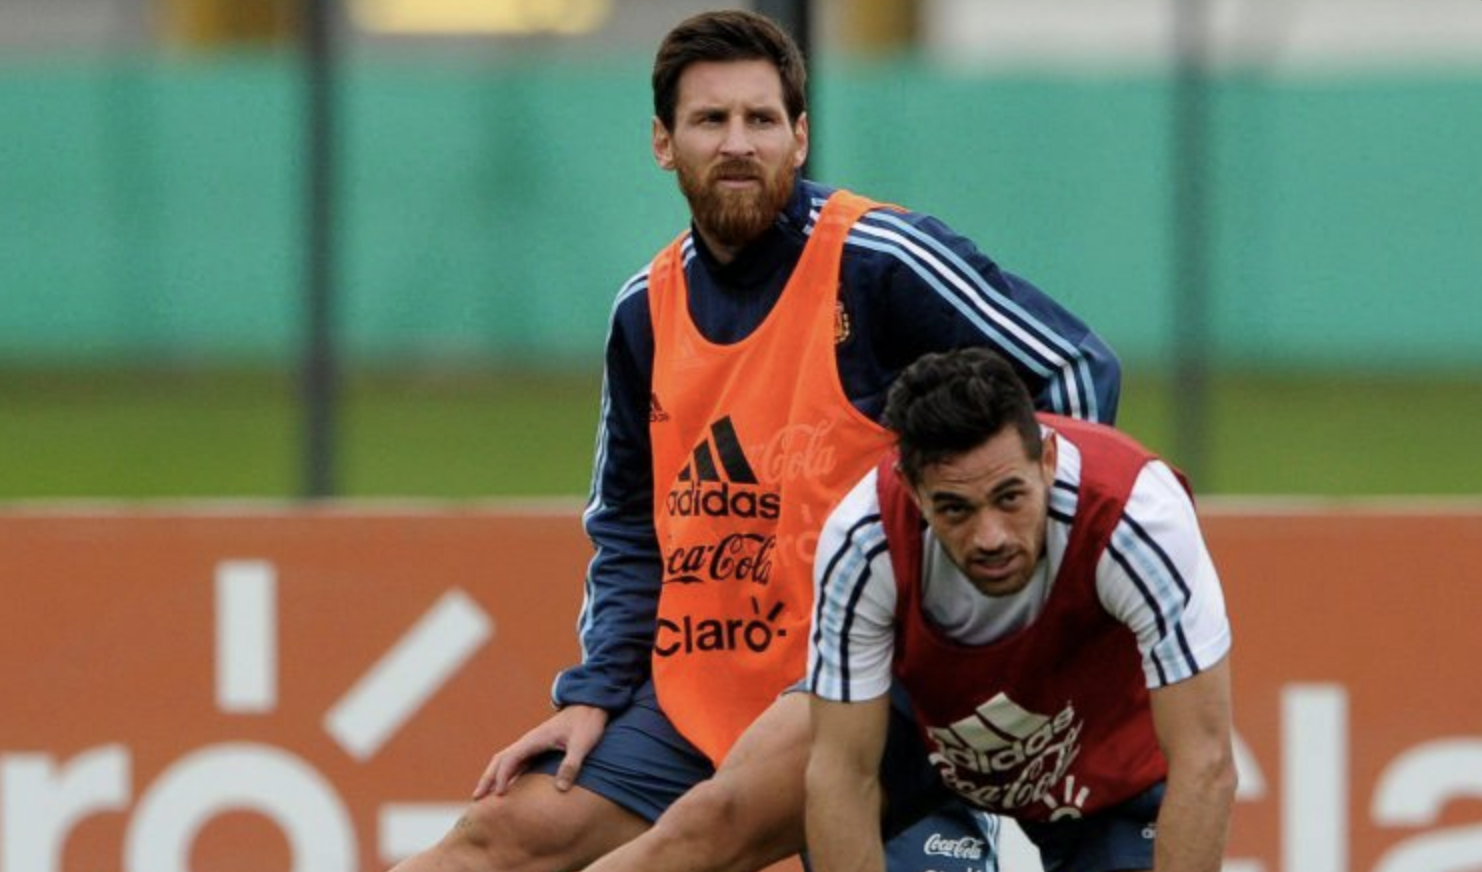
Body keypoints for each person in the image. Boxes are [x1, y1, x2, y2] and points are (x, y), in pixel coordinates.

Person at [389, 10, 1120, 872]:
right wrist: (597, 691)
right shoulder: (646, 310)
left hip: (866, 696)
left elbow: (1072, 372)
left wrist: (1011, 616)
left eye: (761, 119)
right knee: (488, 844)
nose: (738, 143)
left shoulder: (877, 260)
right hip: (694, 702)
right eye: (710, 120)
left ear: (799, 137)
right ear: (663, 143)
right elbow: (628, 524)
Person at [805, 347, 1236, 872]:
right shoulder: (863, 537)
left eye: (1009, 498)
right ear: (914, 492)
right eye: (955, 508)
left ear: (1048, 460)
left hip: (1111, 762)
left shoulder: (1136, 518)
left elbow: (1205, 761)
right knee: (715, 822)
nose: (990, 537)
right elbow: (842, 777)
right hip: (916, 723)